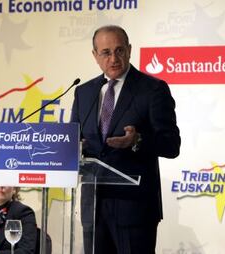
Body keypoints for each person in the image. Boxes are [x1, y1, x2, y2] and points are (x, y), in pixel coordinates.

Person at [70, 25, 181, 254]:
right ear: (95, 56)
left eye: (119, 50)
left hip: (135, 208)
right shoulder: (84, 92)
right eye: (106, 52)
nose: (113, 58)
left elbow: (171, 145)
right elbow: (73, 139)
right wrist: (73, 148)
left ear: (130, 50)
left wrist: (137, 140)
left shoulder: (152, 89)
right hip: (94, 208)